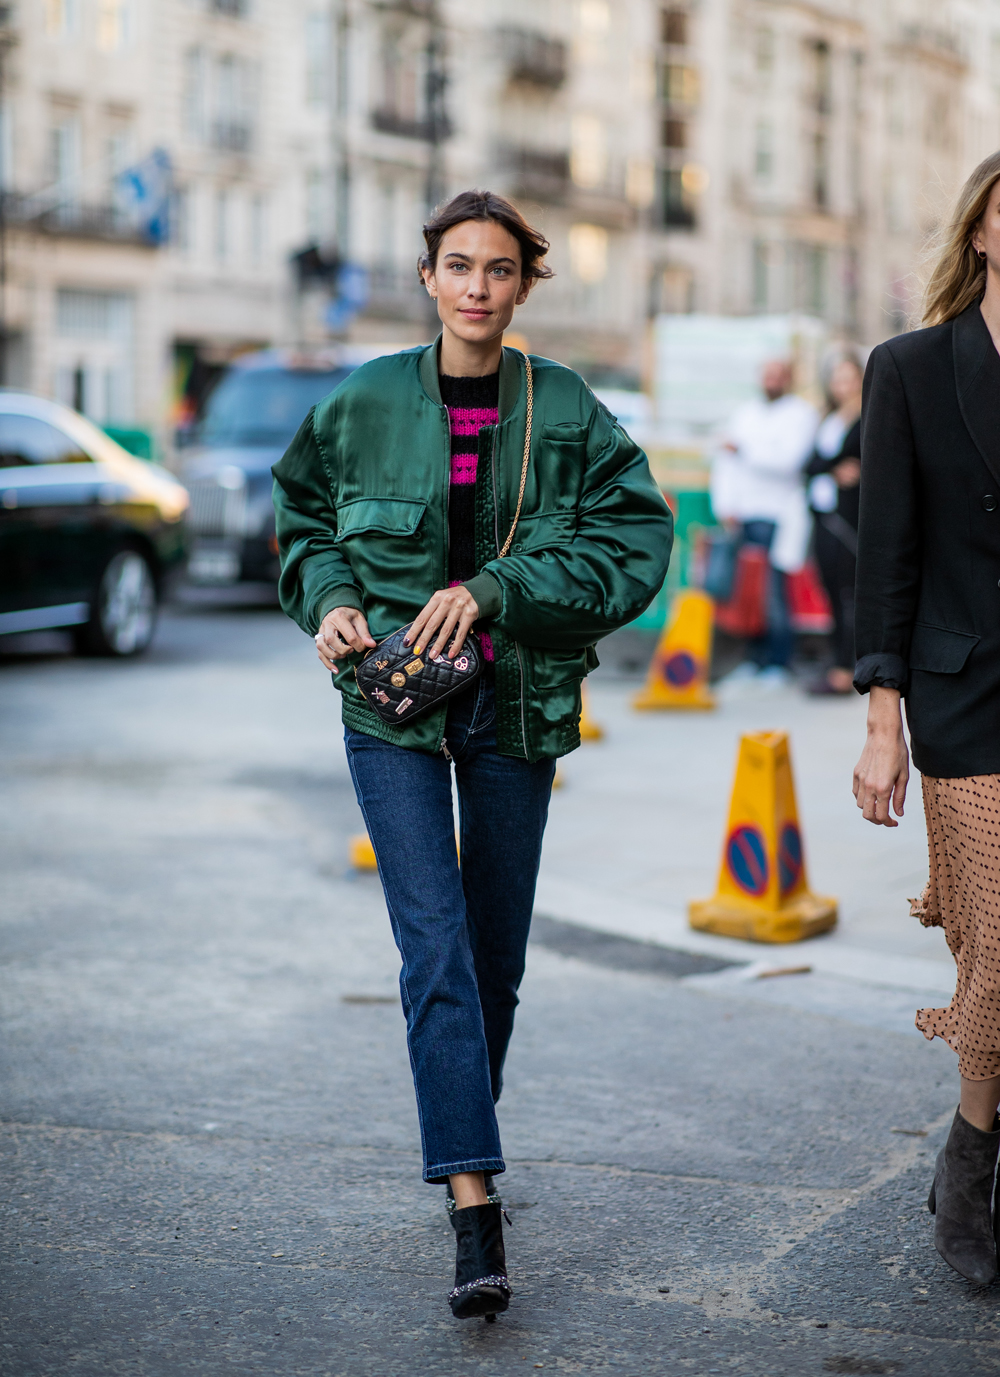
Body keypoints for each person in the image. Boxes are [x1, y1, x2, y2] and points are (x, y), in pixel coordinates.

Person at [272, 190, 673, 1320]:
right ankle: (472, 1206)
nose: (478, 288)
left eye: (500, 270)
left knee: (493, 959)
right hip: (389, 711)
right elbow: (300, 518)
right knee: (435, 949)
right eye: (459, 267)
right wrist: (333, 597)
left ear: (524, 284)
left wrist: (498, 588)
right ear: (428, 277)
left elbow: (637, 542)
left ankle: (460, 1131)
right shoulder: (361, 400)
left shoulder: (568, 409)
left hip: (517, 706)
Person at [852, 150, 1000, 1286]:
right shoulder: (907, 368)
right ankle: (969, 1157)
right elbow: (887, 556)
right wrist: (880, 718)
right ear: (980, 230)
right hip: (966, 698)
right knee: (994, 953)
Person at [712, 359, 818, 683]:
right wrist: (726, 505)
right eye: (767, 374)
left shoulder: (801, 414)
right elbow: (725, 461)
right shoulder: (746, 413)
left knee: (775, 594)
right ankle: (754, 660)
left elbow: (789, 461)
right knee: (749, 593)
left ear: (788, 378)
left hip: (780, 514)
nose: (771, 380)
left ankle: (777, 662)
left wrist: (745, 449)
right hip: (744, 514)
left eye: (778, 375)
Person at [804, 352, 864, 695]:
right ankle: (837, 662)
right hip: (823, 516)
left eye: (849, 377)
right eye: (837, 378)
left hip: (849, 520)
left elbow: (862, 464)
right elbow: (810, 464)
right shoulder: (828, 417)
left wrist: (828, 465)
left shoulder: (868, 415)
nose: (843, 385)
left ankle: (846, 669)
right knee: (829, 592)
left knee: (850, 594)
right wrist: (832, 467)